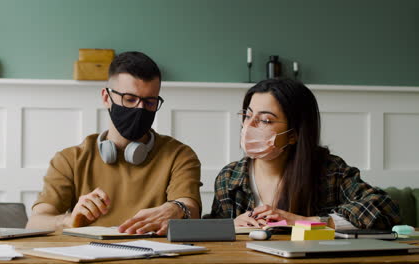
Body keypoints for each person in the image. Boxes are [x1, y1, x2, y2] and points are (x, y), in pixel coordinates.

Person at [26, 51, 202, 235]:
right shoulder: (69, 159)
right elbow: (35, 223)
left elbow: (191, 209)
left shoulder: (179, 155)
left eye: (150, 102)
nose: (140, 109)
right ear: (106, 97)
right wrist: (67, 220)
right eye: (130, 99)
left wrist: (177, 209)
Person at [211, 78, 400, 229]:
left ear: (294, 134)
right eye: (247, 115)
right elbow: (210, 233)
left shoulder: (330, 171)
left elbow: (385, 207)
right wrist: (229, 226)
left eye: (266, 120)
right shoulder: (229, 178)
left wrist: (308, 222)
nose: (248, 125)